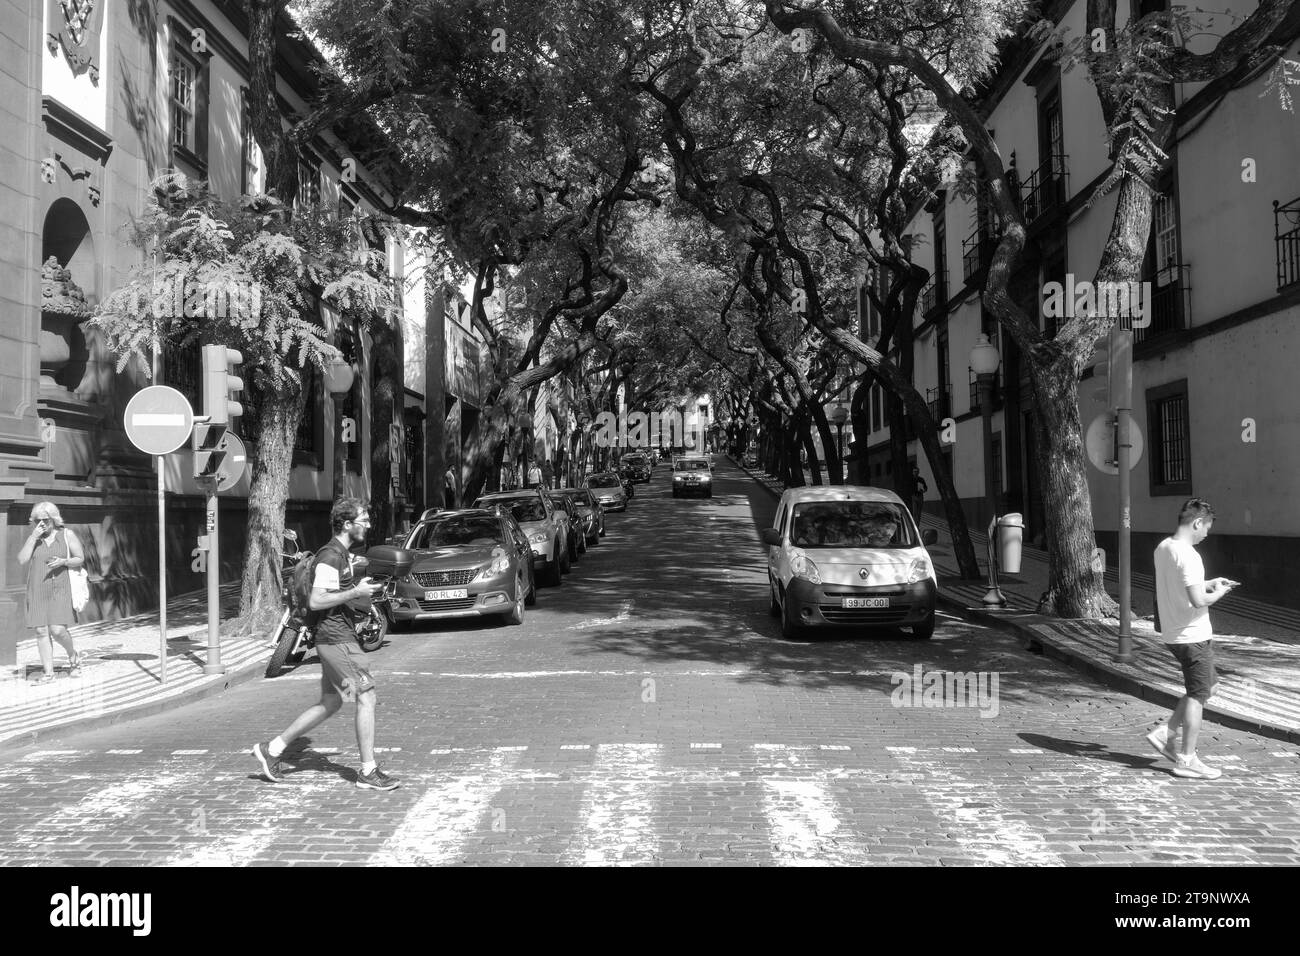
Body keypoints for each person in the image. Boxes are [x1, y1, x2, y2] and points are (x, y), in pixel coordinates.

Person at [252, 497, 398, 790]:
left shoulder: (341, 555)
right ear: (347, 524)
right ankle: (368, 772)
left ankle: (273, 749)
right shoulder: (331, 556)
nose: (368, 525)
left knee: (331, 701)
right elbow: (318, 600)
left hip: (336, 638)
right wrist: (355, 590)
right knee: (365, 696)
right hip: (337, 641)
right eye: (363, 520)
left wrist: (360, 593)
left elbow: (335, 594)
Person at [1145, 498, 1238, 780]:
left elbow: (1180, 585)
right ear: (1197, 522)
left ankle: (1167, 733)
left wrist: (1209, 582)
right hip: (1193, 635)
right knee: (1199, 695)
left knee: (1208, 686)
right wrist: (1219, 592)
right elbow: (1198, 600)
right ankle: (1187, 759)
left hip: (1174, 634)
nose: (1206, 534)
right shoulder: (1190, 555)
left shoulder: (1163, 548)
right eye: (1206, 528)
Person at [17, 502, 86, 683]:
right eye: (37, 520)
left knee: (57, 630)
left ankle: (73, 657)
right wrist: (33, 537)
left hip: (60, 588)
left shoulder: (66, 535)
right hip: (37, 588)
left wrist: (63, 561)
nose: (41, 524)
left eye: (45, 520)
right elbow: (22, 559)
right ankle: (49, 673)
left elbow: (80, 558)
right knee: (41, 631)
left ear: (54, 519)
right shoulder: (35, 538)